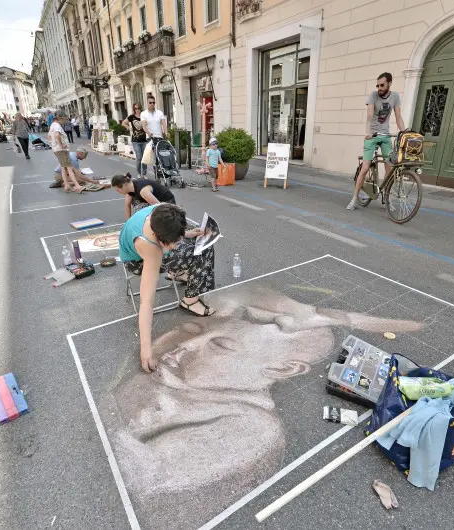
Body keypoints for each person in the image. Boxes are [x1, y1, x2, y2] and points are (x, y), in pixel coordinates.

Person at [104, 285, 422, 529]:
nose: (186, 346)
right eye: (193, 333)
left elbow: (141, 475)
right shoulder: (187, 389)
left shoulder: (247, 426)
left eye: (220, 345)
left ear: (283, 369)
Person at [119, 203, 218, 371]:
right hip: (136, 262)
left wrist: (187, 234)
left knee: (198, 240)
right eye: (173, 242)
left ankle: (180, 274)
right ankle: (190, 300)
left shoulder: (164, 212)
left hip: (144, 243)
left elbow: (173, 236)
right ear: (159, 237)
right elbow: (146, 302)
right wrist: (146, 349)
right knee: (200, 251)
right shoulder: (150, 247)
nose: (176, 244)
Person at [347, 72, 405, 210]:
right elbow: (370, 114)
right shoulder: (373, 95)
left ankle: (387, 198)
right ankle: (354, 198)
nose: (379, 88)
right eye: (378, 85)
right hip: (372, 135)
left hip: (385, 136)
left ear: (389, 83)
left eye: (382, 85)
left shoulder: (395, 96)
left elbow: (398, 118)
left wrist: (404, 132)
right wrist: (368, 132)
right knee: (365, 167)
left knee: (390, 168)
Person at [49, 110, 83, 193]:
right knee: (69, 168)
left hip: (57, 150)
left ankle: (67, 185)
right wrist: (61, 145)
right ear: (60, 118)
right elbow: (57, 135)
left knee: (63, 168)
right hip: (62, 150)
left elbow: (49, 135)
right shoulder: (57, 126)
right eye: (64, 120)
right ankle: (77, 185)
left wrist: (53, 144)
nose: (64, 122)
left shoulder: (53, 125)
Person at [123, 103, 148, 177]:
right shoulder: (132, 117)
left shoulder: (144, 116)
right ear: (134, 109)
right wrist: (129, 128)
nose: (137, 110)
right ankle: (139, 173)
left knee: (144, 158)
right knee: (139, 157)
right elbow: (123, 123)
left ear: (141, 108)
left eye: (138, 108)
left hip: (144, 140)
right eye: (135, 109)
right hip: (135, 141)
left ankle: (144, 173)